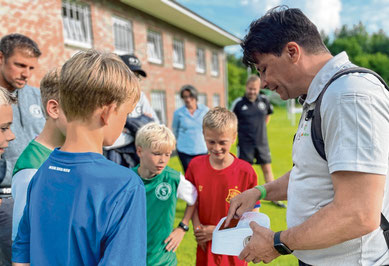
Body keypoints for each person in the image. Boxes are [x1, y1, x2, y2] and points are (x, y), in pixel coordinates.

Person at [225, 7, 389, 265]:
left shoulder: (348, 95)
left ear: (292, 51)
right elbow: (311, 172)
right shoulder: (321, 96)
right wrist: (261, 191)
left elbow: (358, 213)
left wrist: (277, 242)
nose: (263, 82)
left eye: (264, 68)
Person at [12, 50, 147, 265]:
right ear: (108, 112)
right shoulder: (125, 185)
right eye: (126, 114)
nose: (125, 122)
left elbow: (21, 254)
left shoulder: (40, 173)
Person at [186, 107, 260, 266]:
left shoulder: (246, 172)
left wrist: (219, 232)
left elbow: (253, 215)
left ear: (234, 137)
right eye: (211, 141)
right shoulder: (195, 166)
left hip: (233, 247)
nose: (216, 148)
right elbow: (192, 203)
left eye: (222, 142)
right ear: (203, 135)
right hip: (206, 244)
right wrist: (198, 228)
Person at [0, 33, 44, 266]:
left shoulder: (39, 96)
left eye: (31, 67)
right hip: (7, 199)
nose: (26, 73)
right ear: (1, 58)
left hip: (42, 193)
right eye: (19, 65)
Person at [11, 68, 67, 241]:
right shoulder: (31, 171)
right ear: (54, 109)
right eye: (82, 108)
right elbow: (22, 242)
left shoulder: (73, 154)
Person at [132, 122, 197, 265]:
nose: (163, 160)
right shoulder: (127, 180)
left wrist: (183, 227)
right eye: (156, 154)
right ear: (140, 151)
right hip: (133, 258)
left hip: (163, 260)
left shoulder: (173, 178)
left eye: (167, 155)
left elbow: (195, 198)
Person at [231, 75, 285, 208]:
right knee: (244, 171)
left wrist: (260, 130)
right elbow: (231, 122)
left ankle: (274, 198)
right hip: (244, 144)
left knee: (267, 168)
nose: (252, 91)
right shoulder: (238, 103)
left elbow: (268, 115)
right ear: (246, 87)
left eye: (255, 89)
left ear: (258, 88)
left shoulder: (264, 101)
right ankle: (242, 197)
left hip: (261, 142)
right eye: (250, 89)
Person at [104, 54, 158, 167]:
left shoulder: (141, 97)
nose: (136, 80)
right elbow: (108, 142)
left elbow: (155, 127)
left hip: (137, 157)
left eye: (137, 76)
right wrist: (140, 124)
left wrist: (126, 125)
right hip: (114, 158)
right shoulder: (107, 99)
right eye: (132, 75)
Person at [172, 85, 209, 173]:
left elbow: (210, 128)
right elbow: (175, 130)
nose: (188, 99)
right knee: (189, 176)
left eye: (190, 96)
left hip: (201, 149)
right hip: (184, 150)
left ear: (195, 96)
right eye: (185, 97)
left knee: (202, 174)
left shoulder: (205, 110)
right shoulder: (178, 113)